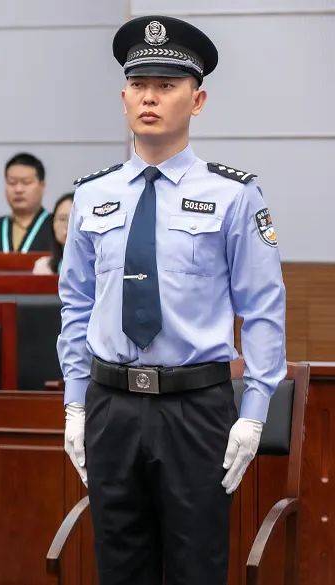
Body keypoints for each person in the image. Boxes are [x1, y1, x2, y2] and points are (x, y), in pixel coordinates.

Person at [57, 16, 286, 584]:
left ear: (197, 100)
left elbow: (262, 309)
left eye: (166, 85)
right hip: (111, 404)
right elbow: (76, 305)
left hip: (195, 405)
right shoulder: (92, 193)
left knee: (195, 566)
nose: (150, 98)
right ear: (123, 98)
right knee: (118, 565)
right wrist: (75, 403)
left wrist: (254, 411)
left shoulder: (233, 194)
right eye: (139, 85)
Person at [0, 152, 54, 253]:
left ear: (42, 186)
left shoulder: (57, 229)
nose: (18, 189)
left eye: (26, 182)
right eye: (12, 182)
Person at [32, 192, 74, 275]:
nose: (68, 225)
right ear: (53, 223)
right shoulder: (43, 266)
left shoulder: (96, 266)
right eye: (62, 219)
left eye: (74, 220)